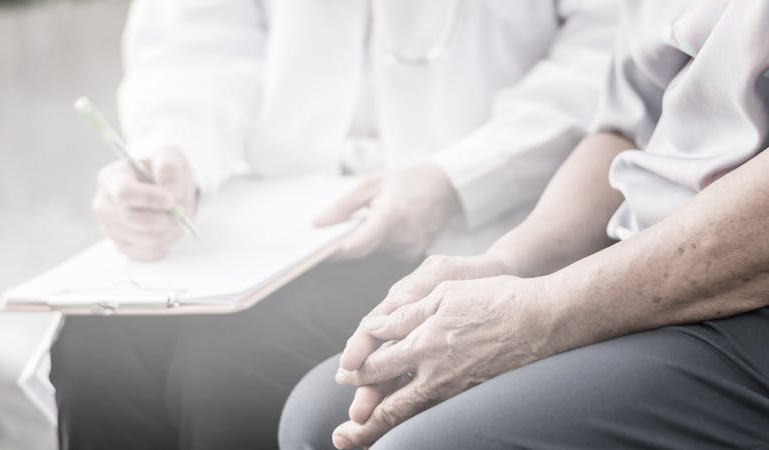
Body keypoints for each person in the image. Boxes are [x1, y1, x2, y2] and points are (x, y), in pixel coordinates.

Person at [49, 1, 618, 449]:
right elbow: (197, 35)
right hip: (270, 212)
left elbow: (607, 52)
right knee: (99, 343)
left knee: (235, 367)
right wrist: (177, 149)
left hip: (483, 214)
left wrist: (459, 177)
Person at [279, 1, 769, 448]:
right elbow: (626, 130)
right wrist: (510, 265)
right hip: (637, 258)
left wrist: (543, 312)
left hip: (747, 305)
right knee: (318, 417)